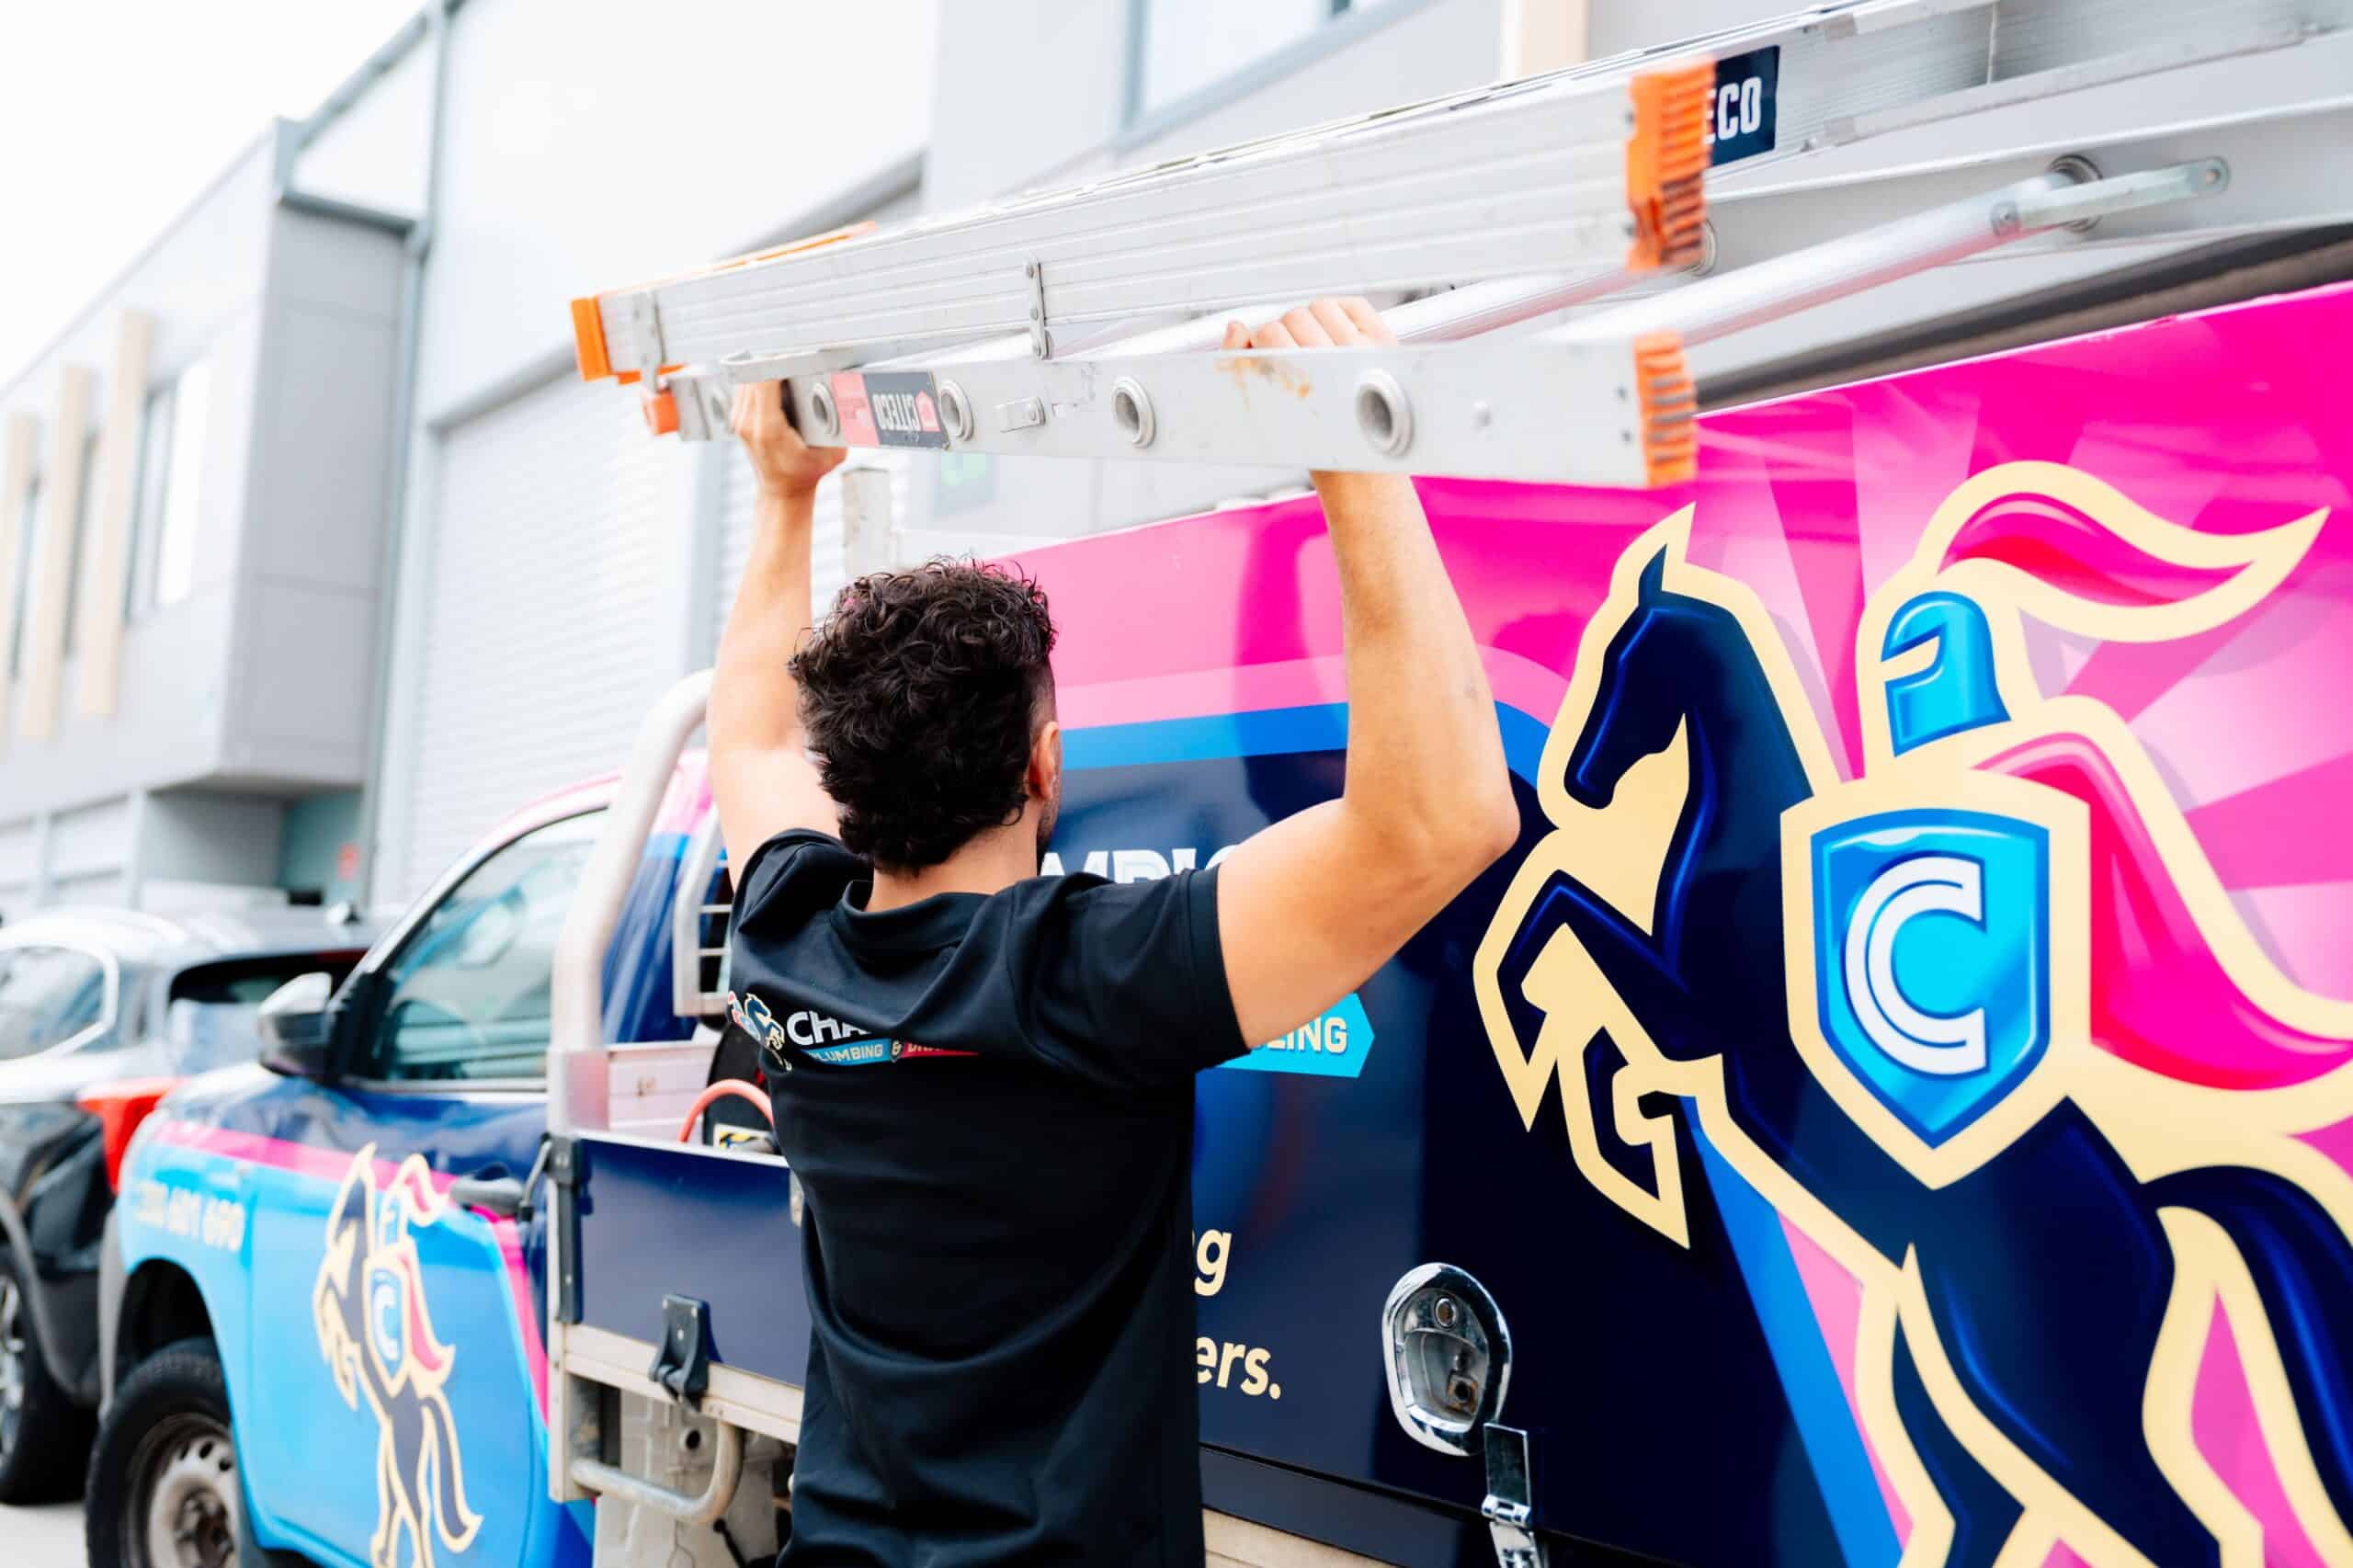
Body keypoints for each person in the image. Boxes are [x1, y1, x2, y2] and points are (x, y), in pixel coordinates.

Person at [711, 296, 1518, 1567]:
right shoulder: (1083, 974)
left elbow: (753, 741)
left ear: (849, 785)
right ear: (1045, 764)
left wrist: (780, 494)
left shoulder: (786, 938)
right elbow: (1445, 818)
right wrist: (1351, 448)